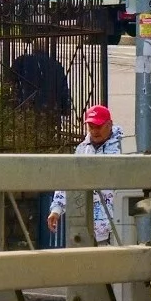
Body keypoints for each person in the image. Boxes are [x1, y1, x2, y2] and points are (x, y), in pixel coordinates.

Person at [47, 104, 130, 246]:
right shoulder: (82, 149)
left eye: (98, 126)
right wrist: (56, 209)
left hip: (119, 225)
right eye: (91, 126)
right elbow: (69, 180)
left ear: (109, 125)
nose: (94, 131)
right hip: (89, 226)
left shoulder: (125, 147)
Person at [8, 40, 72, 118]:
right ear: (46, 48)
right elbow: (63, 89)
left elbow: (10, 81)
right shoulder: (56, 65)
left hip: (27, 107)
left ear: (33, 48)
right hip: (50, 110)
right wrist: (65, 108)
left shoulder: (22, 61)